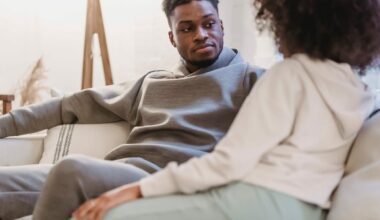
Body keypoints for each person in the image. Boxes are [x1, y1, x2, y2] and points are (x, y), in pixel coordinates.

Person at [70, 0, 380, 220]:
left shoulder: (292, 74)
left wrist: (134, 191)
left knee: (107, 215)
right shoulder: (359, 92)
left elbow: (227, 163)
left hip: (255, 201)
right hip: (306, 210)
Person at [0, 0, 263, 219]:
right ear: (172, 38)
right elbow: (68, 106)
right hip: (117, 174)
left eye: (209, 24)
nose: (201, 34)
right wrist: (4, 125)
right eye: (187, 28)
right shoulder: (152, 82)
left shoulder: (251, 80)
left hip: (168, 183)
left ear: (221, 26)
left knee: (71, 170)